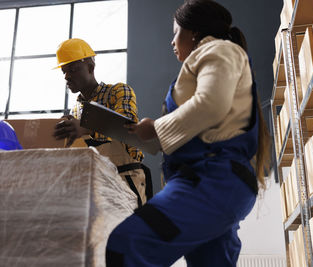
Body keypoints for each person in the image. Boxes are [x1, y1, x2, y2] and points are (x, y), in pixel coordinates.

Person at [105, 0, 272, 266]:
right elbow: (207, 123)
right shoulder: (218, 55)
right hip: (216, 184)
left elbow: (211, 104)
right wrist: (153, 137)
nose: (172, 41)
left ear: (193, 32)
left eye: (175, 32)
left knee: (128, 244)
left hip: (212, 182)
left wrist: (156, 127)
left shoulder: (219, 49)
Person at [53, 38, 152, 207]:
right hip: (94, 186)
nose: (67, 76)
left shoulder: (119, 92)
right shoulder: (75, 111)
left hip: (125, 180)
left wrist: (85, 129)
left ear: (90, 68)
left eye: (73, 69)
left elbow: (128, 129)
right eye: (64, 71)